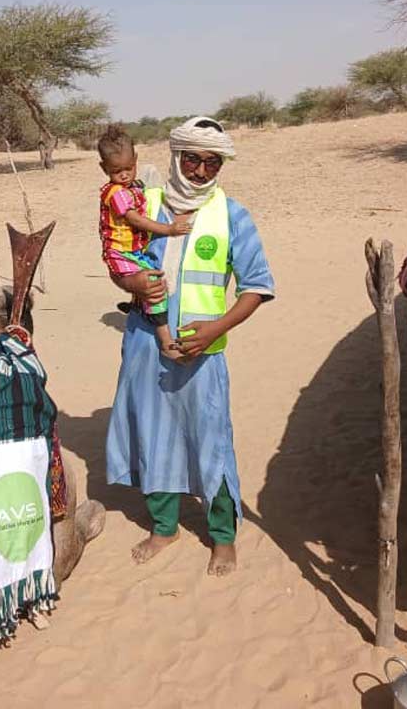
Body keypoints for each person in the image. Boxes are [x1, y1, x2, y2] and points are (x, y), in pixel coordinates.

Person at [105, 116, 275, 576]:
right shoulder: (143, 204)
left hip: (204, 352)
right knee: (153, 434)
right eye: (193, 160)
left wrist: (215, 328)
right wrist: (132, 283)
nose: (200, 171)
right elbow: (117, 259)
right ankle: (164, 527)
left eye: (212, 162)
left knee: (211, 440)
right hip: (145, 342)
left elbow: (257, 286)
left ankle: (222, 536)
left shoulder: (232, 215)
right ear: (176, 156)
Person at [97, 124, 192, 361]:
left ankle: (140, 306)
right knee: (154, 288)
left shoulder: (130, 187)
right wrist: (169, 230)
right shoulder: (116, 193)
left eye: (129, 168)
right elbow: (136, 220)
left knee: (147, 281)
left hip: (131, 251)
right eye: (116, 171)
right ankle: (166, 340)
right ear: (104, 168)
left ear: (136, 160)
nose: (124, 175)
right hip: (121, 252)